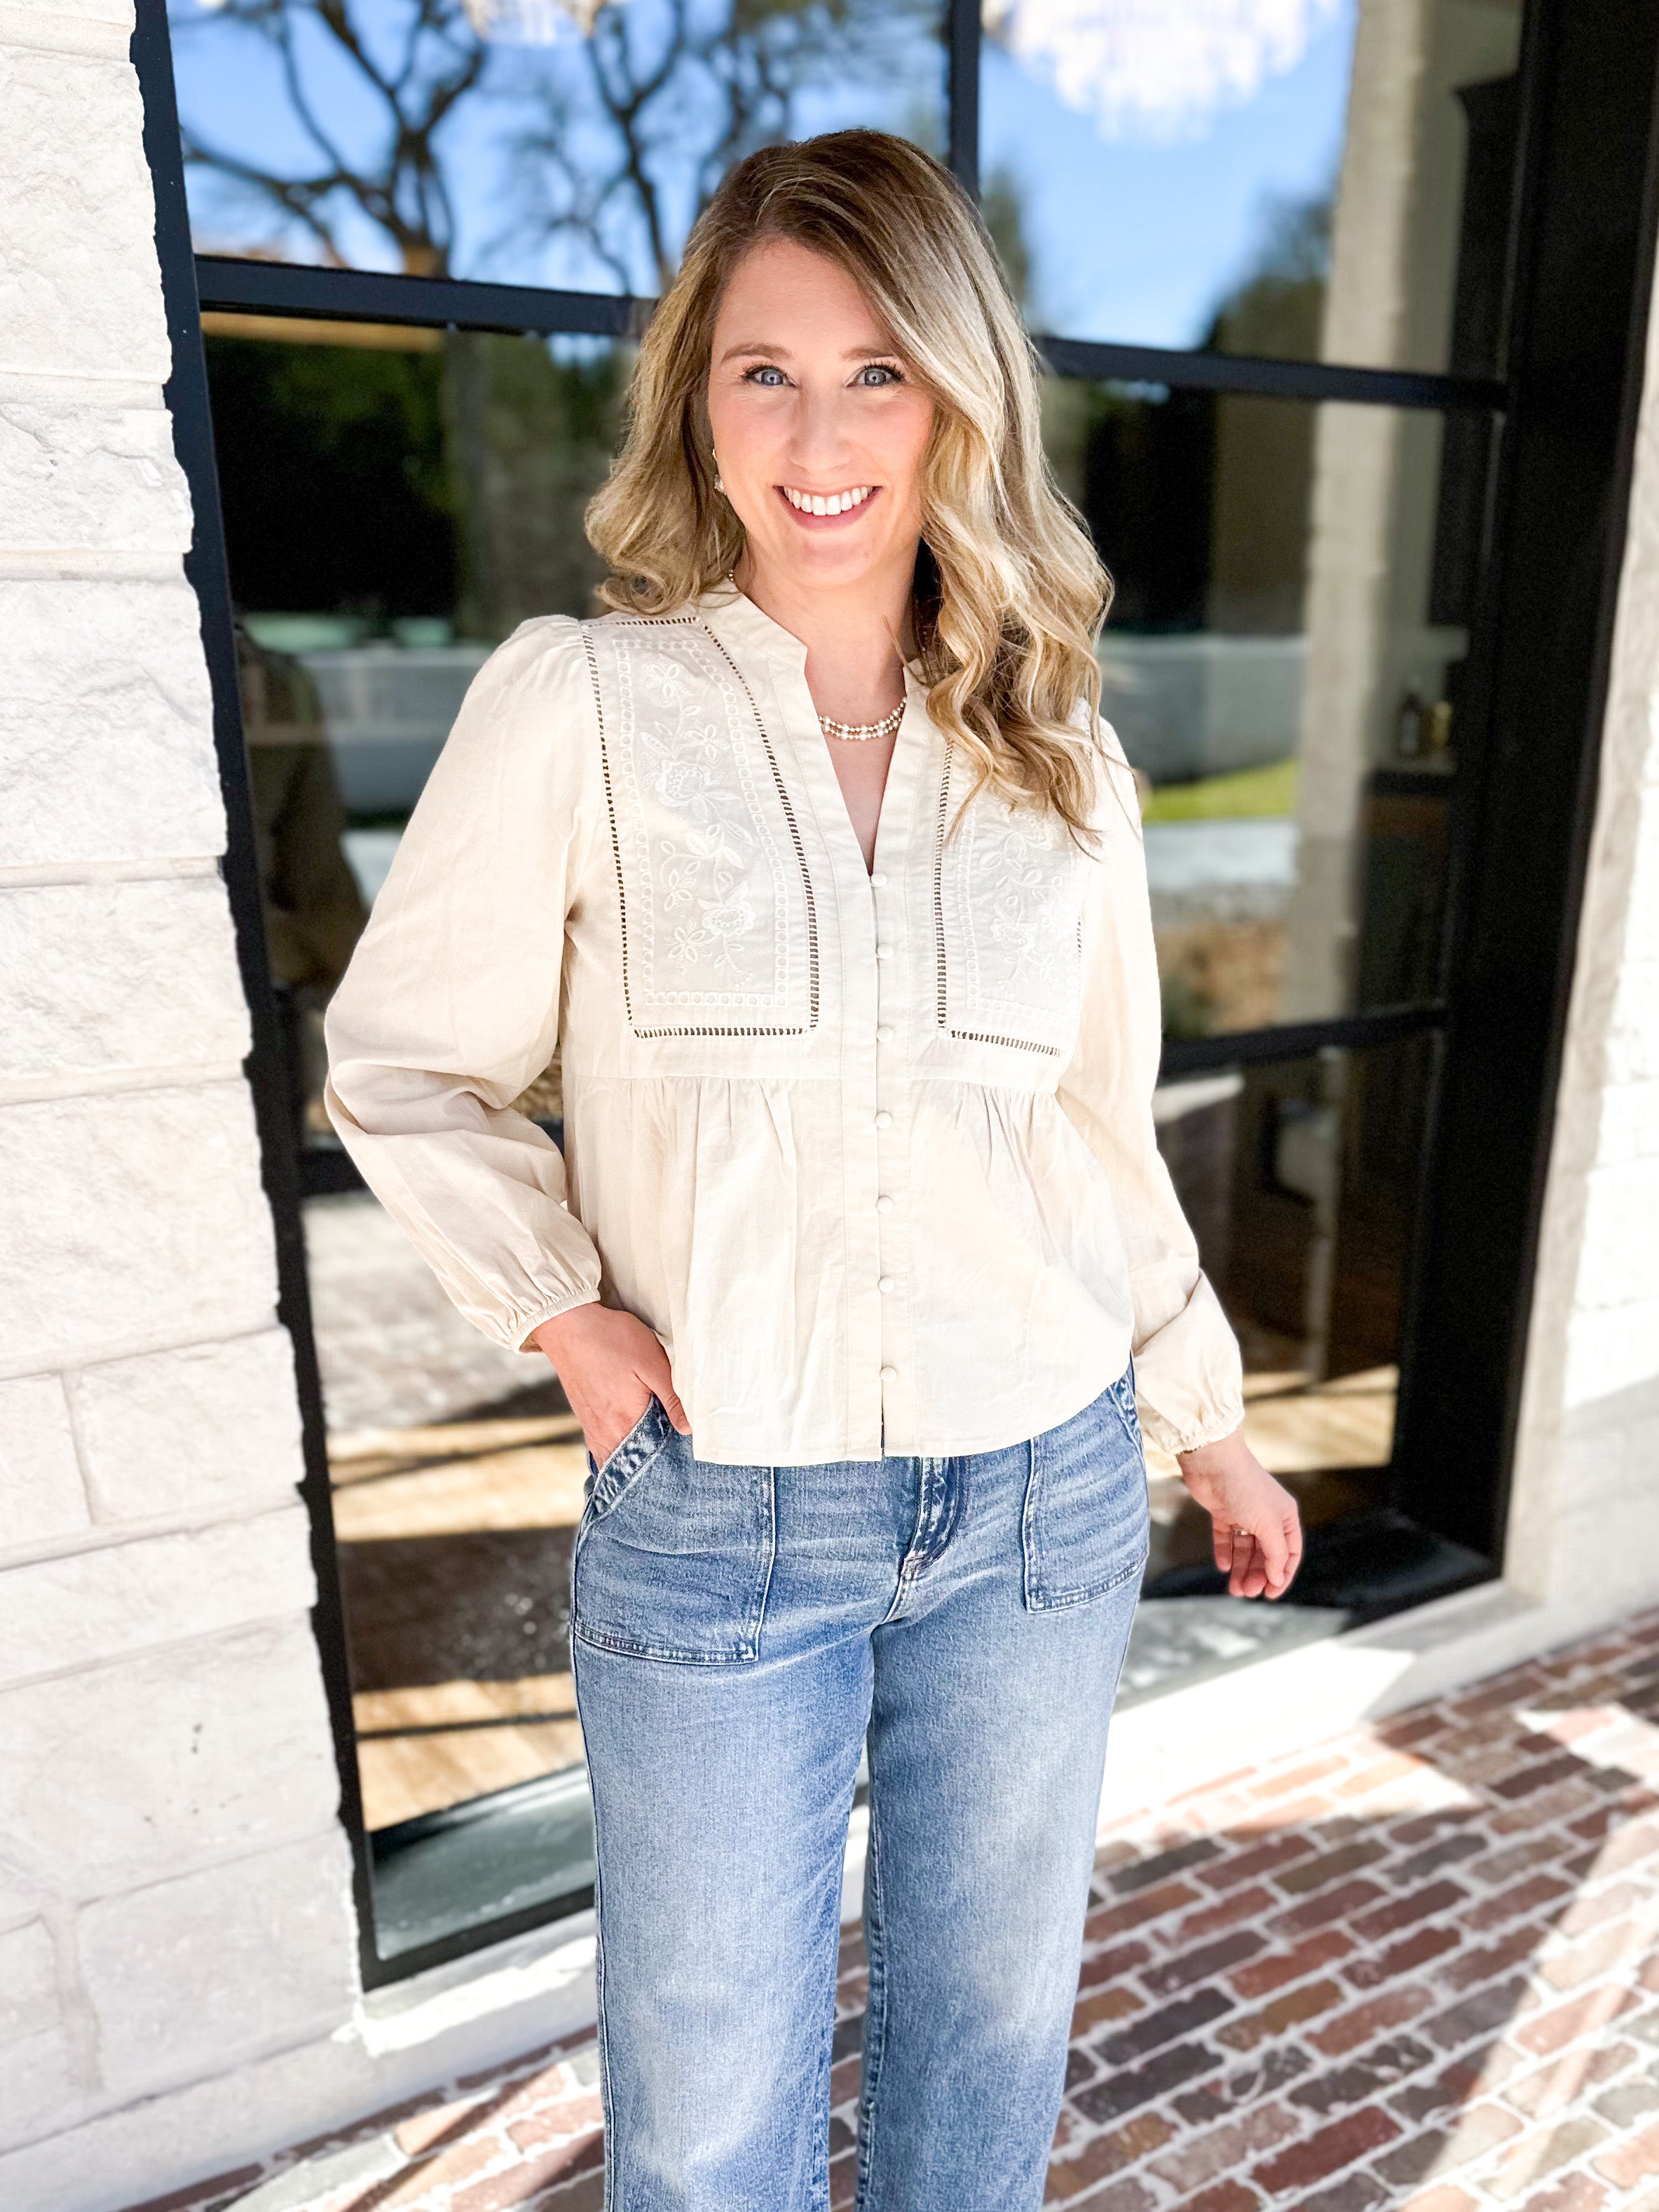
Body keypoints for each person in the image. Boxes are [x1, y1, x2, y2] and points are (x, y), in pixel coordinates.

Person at [325, 128, 1304, 2212]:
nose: (821, 436)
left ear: (959, 402)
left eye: (878, 373)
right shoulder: (588, 705)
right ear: (699, 398)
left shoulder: (1064, 755)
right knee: (704, 2123)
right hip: (720, 1507)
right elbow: (403, 1067)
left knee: (985, 2065)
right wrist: (566, 1315)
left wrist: (1207, 1422)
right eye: (764, 372)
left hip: (1042, 1497)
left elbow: (1094, 1129)